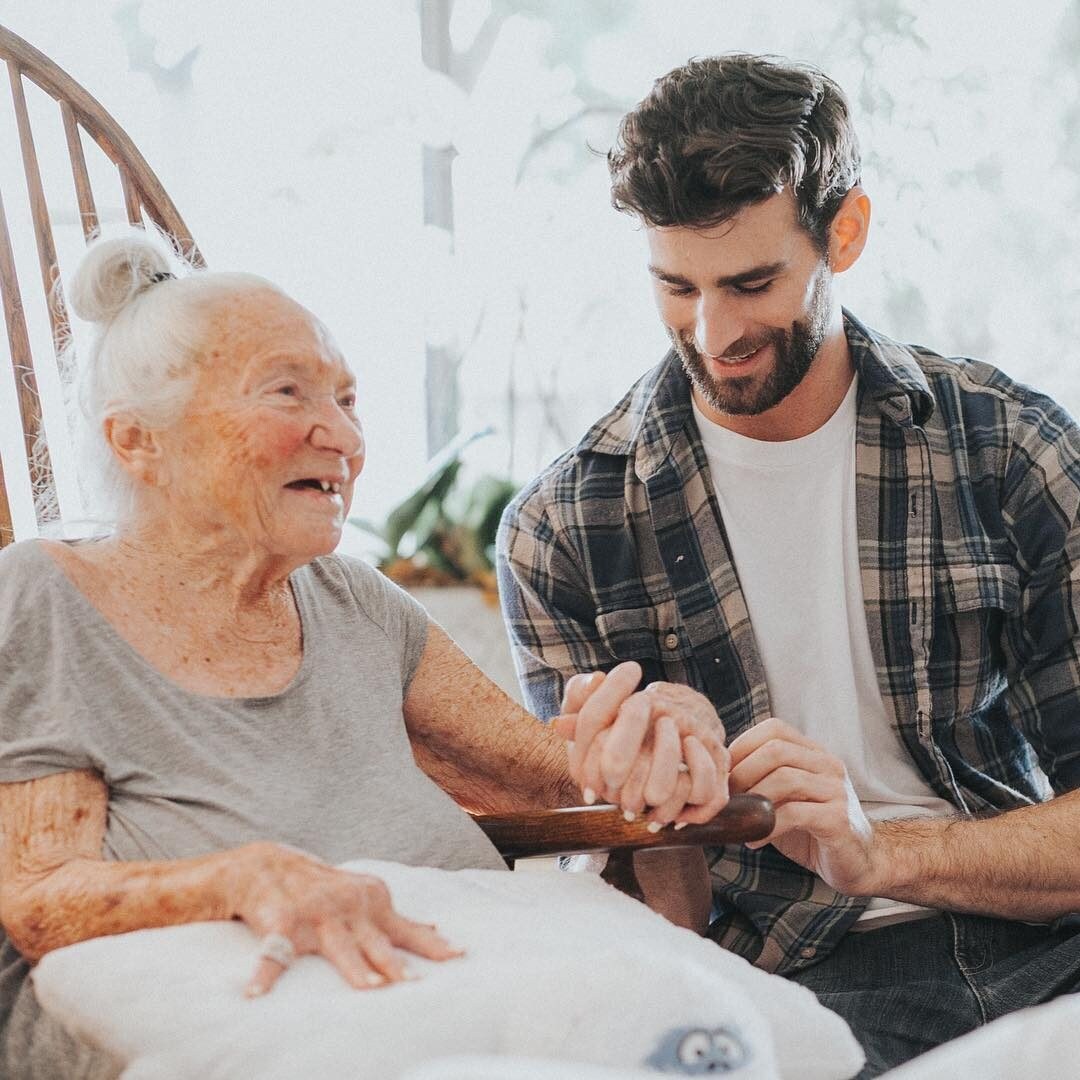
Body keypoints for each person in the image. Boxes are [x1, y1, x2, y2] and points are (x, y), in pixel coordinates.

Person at [0, 234, 731, 1080]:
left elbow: (562, 778)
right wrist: (243, 880)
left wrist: (659, 733)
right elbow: (38, 897)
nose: (344, 435)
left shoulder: (353, 601)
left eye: (349, 399)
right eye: (287, 391)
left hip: (459, 1006)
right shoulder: (46, 596)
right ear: (137, 441)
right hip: (234, 1037)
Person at [497, 52, 1080, 1078]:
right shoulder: (564, 530)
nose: (713, 333)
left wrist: (878, 852)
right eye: (676, 286)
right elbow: (644, 928)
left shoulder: (1011, 449)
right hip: (791, 987)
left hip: (1045, 942)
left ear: (843, 234)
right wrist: (660, 820)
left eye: (751, 283)